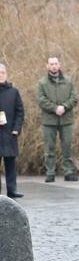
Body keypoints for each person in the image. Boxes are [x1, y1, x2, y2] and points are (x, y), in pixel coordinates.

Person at [36, 56, 78, 182]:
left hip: (66, 120)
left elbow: (74, 97)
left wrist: (64, 107)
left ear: (59, 65)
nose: (54, 66)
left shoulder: (68, 81)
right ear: (47, 66)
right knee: (49, 148)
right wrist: (55, 108)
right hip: (49, 121)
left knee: (67, 146)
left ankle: (69, 172)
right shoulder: (42, 83)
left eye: (55, 63)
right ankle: (50, 172)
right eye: (51, 64)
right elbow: (41, 100)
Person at [0, 64, 25, 198]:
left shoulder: (13, 92)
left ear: (6, 74)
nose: (1, 75)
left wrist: (16, 129)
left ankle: (12, 190)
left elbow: (20, 112)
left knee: (10, 164)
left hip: (10, 133)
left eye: (3, 72)